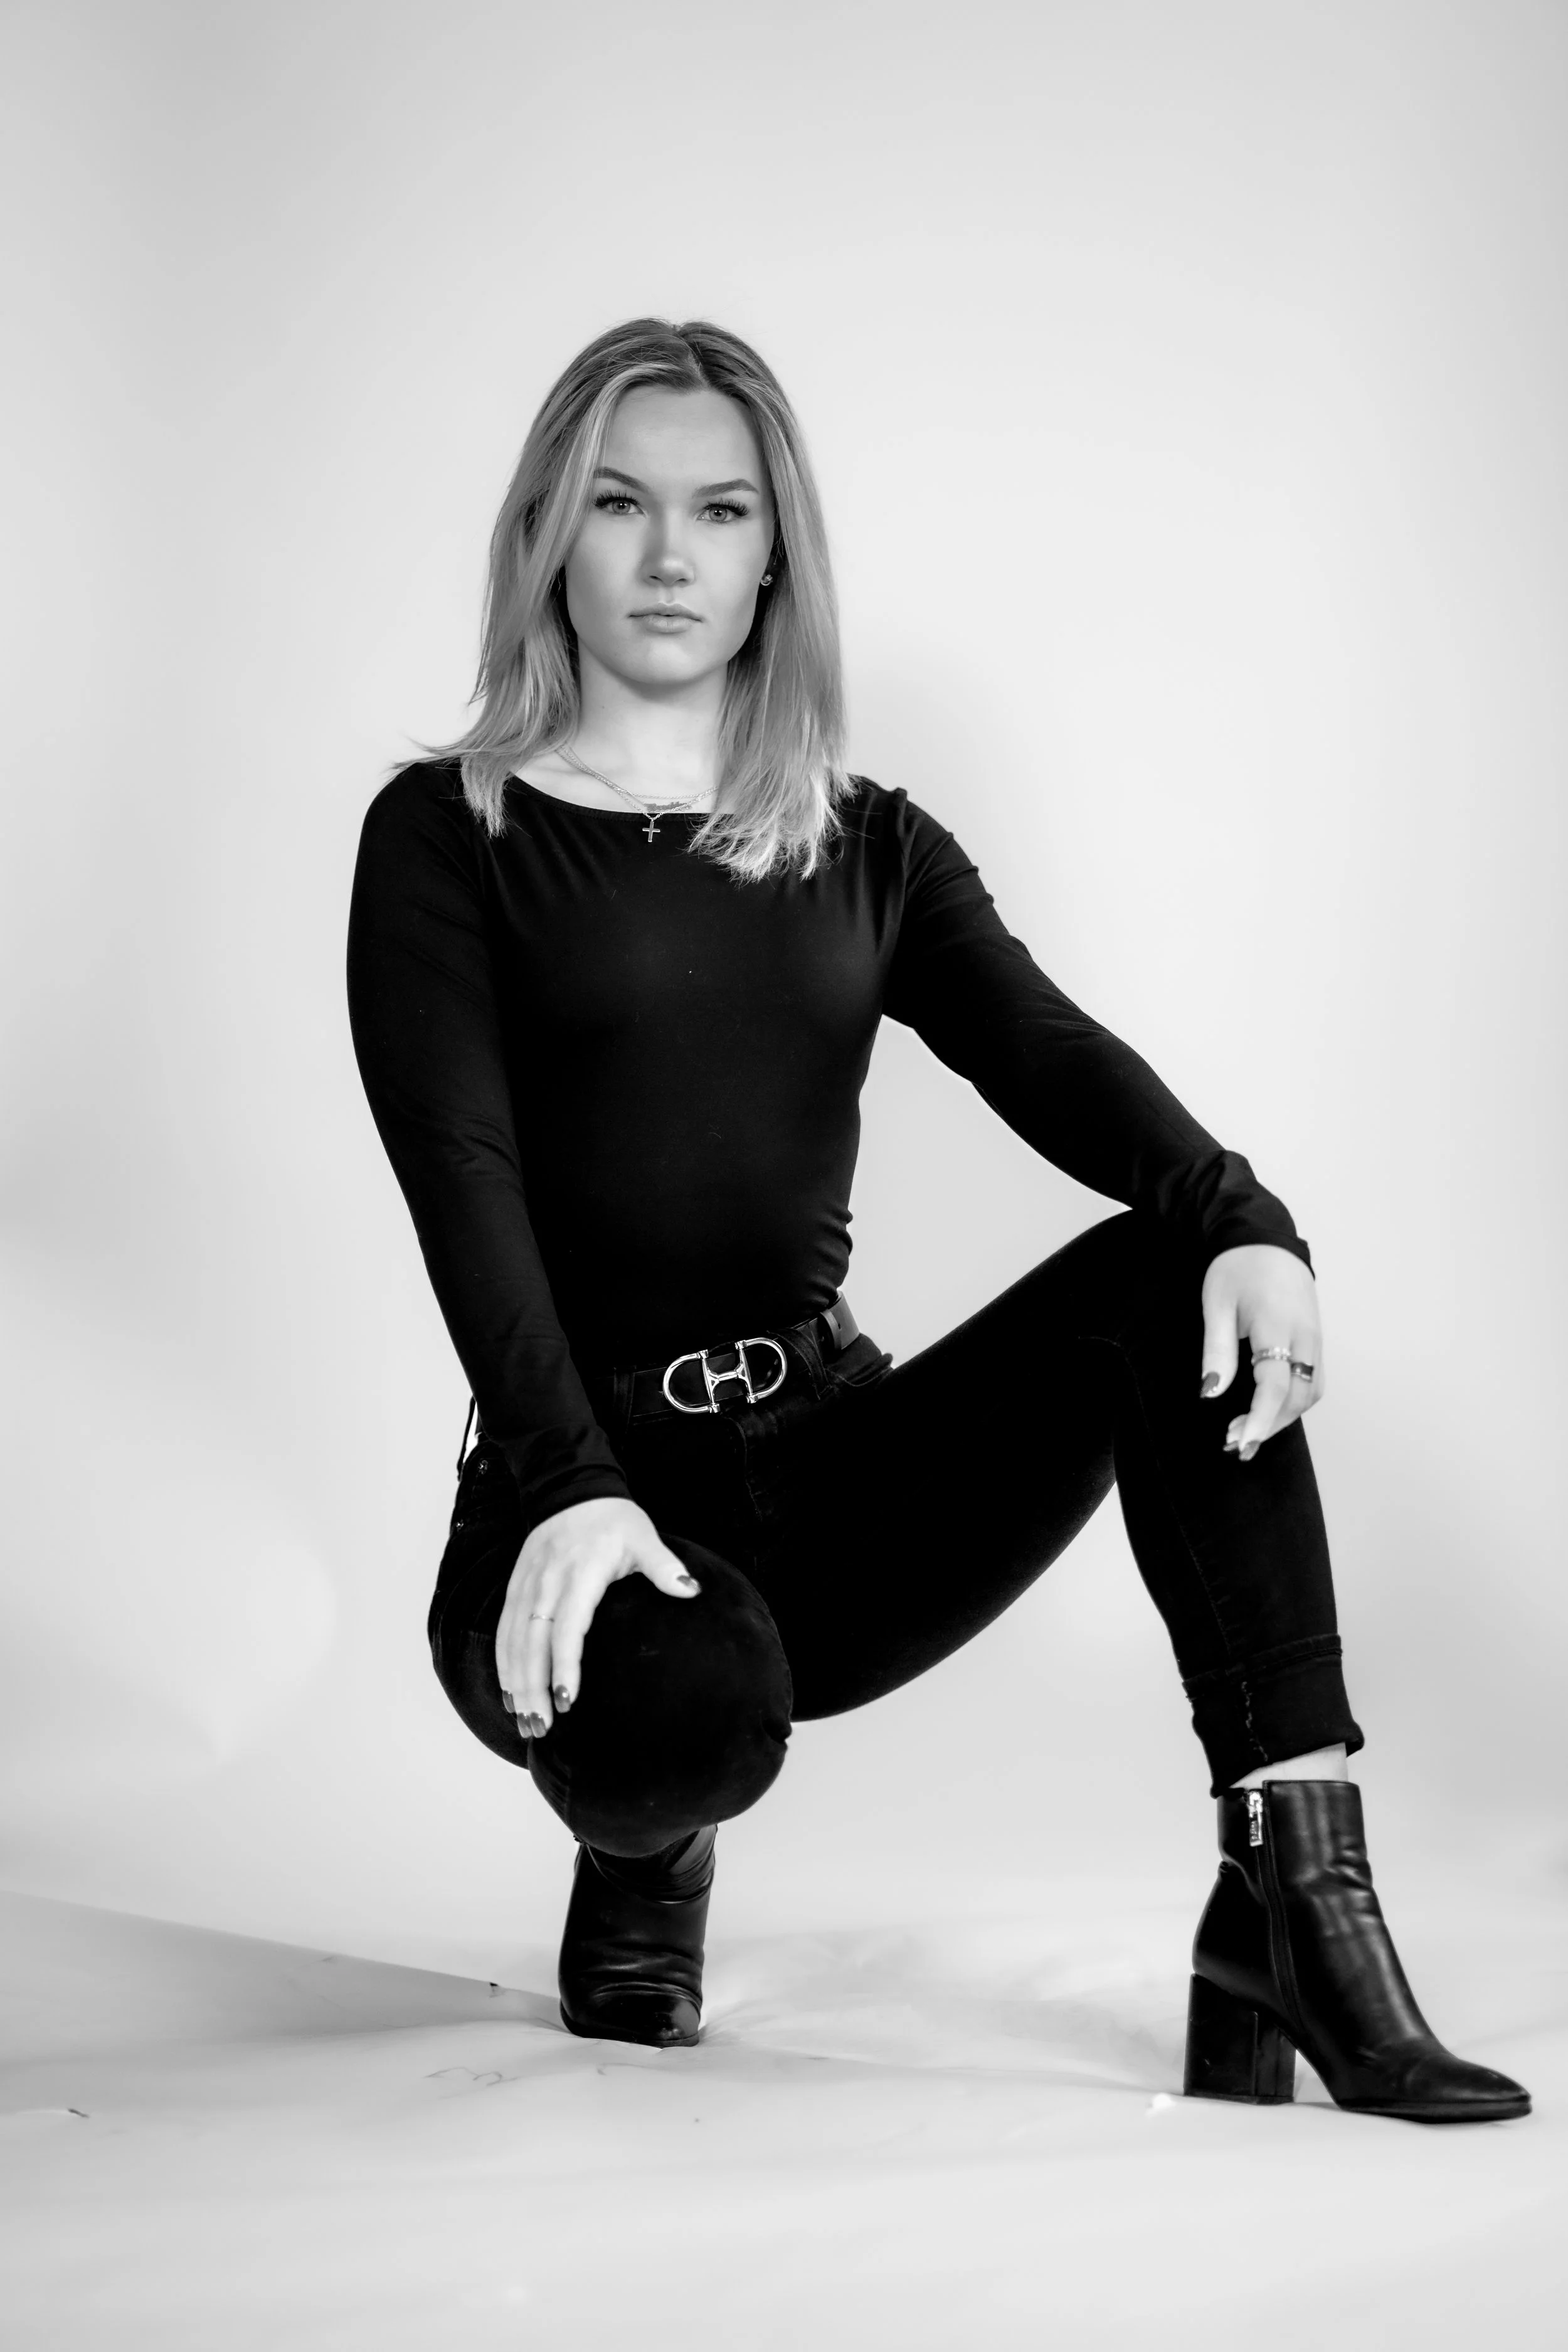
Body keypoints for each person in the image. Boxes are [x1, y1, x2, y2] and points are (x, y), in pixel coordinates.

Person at [346, 317, 1528, 2123]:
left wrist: (1248, 1218)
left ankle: (1294, 1894)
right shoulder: (448, 836)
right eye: (618, 502)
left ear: (774, 553)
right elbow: (463, 1187)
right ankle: (650, 1843)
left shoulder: (868, 844)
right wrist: (569, 1482)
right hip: (566, 1498)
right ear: (547, 533)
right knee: (683, 1706)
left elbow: (1049, 1053)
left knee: (1179, 1283)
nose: (668, 555)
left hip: (827, 1477)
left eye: (720, 511)